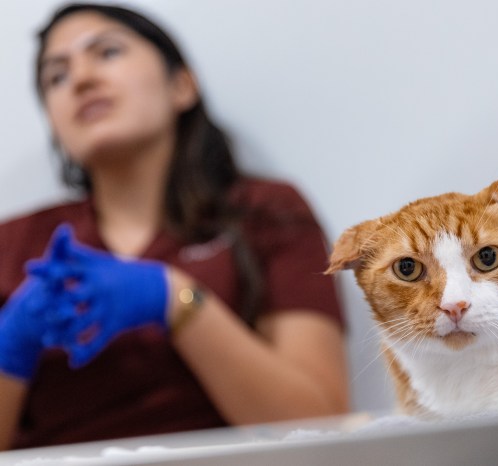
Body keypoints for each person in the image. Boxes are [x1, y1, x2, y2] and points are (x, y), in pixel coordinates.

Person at [0, 2, 349, 451]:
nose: (81, 79)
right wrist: (11, 342)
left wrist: (176, 299)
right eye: (56, 76)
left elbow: (322, 428)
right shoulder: (14, 245)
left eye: (106, 52)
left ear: (181, 86)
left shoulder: (266, 212)